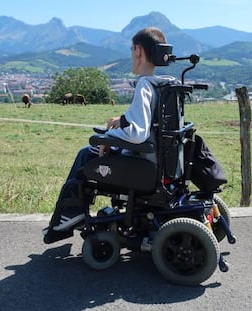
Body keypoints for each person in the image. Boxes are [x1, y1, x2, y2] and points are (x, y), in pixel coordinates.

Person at [43, 27, 174, 244]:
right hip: (154, 161)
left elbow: (138, 133)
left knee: (87, 153)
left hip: (141, 164)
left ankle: (71, 212)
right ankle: (71, 213)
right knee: (91, 150)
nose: (131, 55)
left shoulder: (144, 86)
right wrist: (121, 121)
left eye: (132, 50)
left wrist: (109, 140)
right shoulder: (162, 85)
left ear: (139, 51)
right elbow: (145, 122)